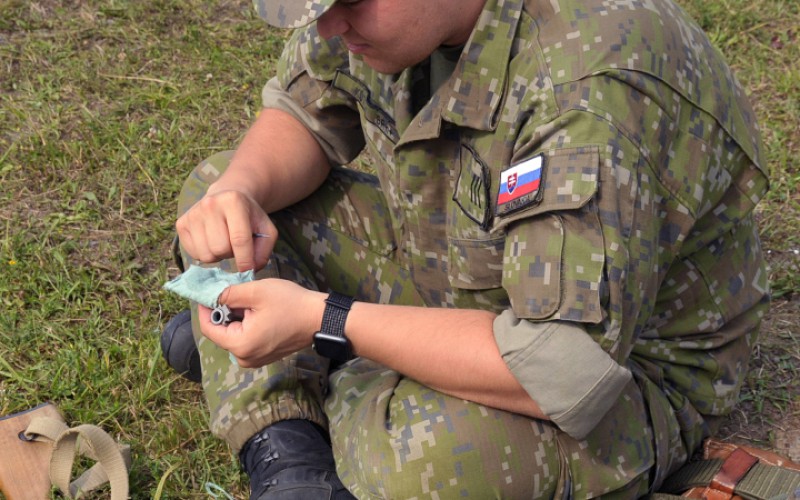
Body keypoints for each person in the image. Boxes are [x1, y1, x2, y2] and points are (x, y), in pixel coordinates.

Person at [163, 0, 770, 497]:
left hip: (618, 374)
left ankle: (320, 369)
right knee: (224, 200)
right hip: (464, 263)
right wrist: (239, 189)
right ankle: (290, 459)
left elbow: (563, 370)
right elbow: (306, 110)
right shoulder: (382, 18)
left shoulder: (588, 86)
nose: (329, 26)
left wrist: (326, 322)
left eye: (348, 3)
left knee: (423, 460)